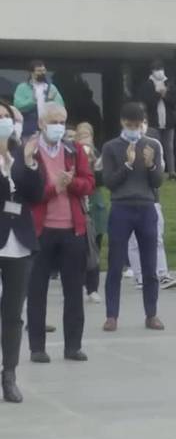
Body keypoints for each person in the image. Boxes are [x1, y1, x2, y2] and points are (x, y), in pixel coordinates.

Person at [25, 103, 94, 364]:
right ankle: (37, 348)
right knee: (37, 290)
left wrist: (71, 183)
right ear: (42, 123)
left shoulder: (74, 150)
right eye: (53, 121)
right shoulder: (30, 150)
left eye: (62, 121)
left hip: (71, 229)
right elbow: (29, 192)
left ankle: (73, 346)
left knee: (74, 290)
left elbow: (89, 183)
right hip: (41, 230)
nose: (59, 126)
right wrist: (55, 187)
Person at [101, 102, 166, 332]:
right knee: (115, 264)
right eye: (130, 125)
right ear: (122, 122)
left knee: (150, 265)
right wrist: (127, 164)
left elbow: (157, 182)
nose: (134, 129)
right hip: (121, 208)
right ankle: (111, 315)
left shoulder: (151, 145)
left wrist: (150, 165)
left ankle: (152, 313)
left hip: (147, 207)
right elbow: (109, 181)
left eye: (138, 125)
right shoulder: (111, 147)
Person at [0, 101, 44, 402]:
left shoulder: (21, 153)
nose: (3, 121)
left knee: (13, 314)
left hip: (20, 242)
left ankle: (10, 374)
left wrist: (28, 164)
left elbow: (36, 194)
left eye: (5, 117)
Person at [127, 117, 176, 292]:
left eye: (143, 122)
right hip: (129, 200)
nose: (140, 127)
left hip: (151, 199)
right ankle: (140, 277)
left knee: (156, 238)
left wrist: (149, 163)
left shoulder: (154, 144)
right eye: (136, 123)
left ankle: (162, 274)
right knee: (134, 242)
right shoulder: (121, 144)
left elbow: (159, 171)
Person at [75, 123, 106, 304]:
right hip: (79, 207)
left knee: (94, 248)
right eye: (82, 135)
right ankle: (76, 284)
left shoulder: (98, 156)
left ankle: (92, 288)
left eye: (88, 135)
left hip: (95, 206)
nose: (85, 139)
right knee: (77, 250)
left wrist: (93, 164)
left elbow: (102, 181)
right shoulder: (72, 154)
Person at [137, 60, 176, 179]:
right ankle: (155, 171)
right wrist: (158, 94)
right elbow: (147, 102)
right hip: (153, 123)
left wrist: (165, 95)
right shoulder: (147, 85)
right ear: (152, 71)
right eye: (157, 69)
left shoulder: (169, 83)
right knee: (153, 146)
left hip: (168, 122)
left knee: (169, 148)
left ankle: (172, 172)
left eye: (161, 69)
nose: (160, 72)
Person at [13, 60, 64, 139]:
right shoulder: (22, 87)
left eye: (44, 70)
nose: (42, 73)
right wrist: (32, 101)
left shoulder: (51, 88)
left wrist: (50, 101)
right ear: (32, 72)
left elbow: (61, 108)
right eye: (39, 71)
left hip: (48, 128)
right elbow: (18, 106)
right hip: (28, 128)